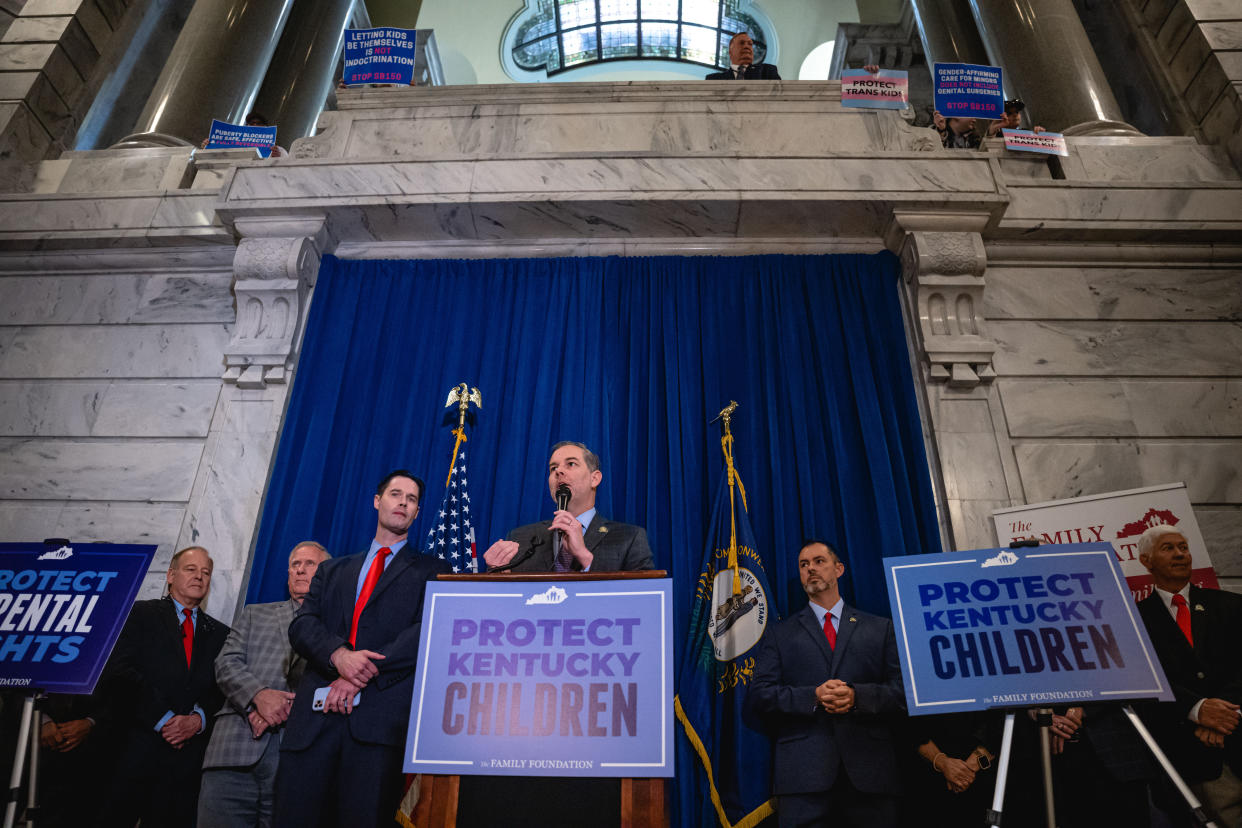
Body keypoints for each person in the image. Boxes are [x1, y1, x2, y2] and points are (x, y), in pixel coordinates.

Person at [272, 470, 451, 828]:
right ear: (377, 500)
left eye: (411, 499)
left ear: (417, 513)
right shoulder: (333, 569)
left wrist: (357, 674)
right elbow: (303, 625)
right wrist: (340, 657)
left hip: (377, 730)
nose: (402, 502)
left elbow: (424, 632)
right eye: (395, 494)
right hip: (313, 727)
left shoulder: (435, 571)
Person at [747, 540, 905, 828]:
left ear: (839, 569)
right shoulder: (779, 634)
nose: (811, 569)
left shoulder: (880, 628)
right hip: (803, 780)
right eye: (804, 565)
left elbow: (904, 693)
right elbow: (760, 695)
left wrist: (858, 697)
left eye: (819, 561)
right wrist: (813, 696)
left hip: (870, 776)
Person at [197, 541, 331, 828]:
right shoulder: (255, 614)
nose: (300, 570)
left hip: (297, 756)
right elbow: (226, 663)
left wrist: (283, 707)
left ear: (327, 574)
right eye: (295, 564)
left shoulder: (337, 627)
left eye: (310, 564)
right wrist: (257, 697)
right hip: (234, 748)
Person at [98, 546, 229, 828]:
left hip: (185, 763)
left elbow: (222, 687)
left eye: (206, 572)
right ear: (170, 575)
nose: (199, 577)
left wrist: (197, 720)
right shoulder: (138, 614)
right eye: (190, 569)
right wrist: (165, 720)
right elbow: (118, 672)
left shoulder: (222, 633)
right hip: (132, 750)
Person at [1136, 524, 1242, 826]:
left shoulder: (1231, 606)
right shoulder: (1134, 620)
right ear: (1146, 560)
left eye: (1183, 547)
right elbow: (1145, 684)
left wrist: (1223, 713)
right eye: (1168, 548)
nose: (1180, 554)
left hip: (1234, 735)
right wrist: (1196, 710)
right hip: (1192, 756)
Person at [482, 440, 654, 573]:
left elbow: (642, 603)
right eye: (553, 468)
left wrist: (585, 558)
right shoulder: (521, 538)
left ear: (594, 479)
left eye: (571, 464)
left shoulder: (629, 538)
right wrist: (497, 574)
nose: (558, 471)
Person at [705, 32, 781, 80]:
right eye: (741, 43)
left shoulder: (767, 71)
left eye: (750, 44)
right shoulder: (714, 79)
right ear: (730, 52)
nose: (747, 46)